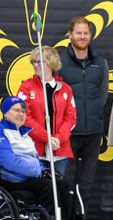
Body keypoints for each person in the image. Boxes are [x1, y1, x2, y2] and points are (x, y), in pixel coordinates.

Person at [58, 16, 108, 220]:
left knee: (84, 185)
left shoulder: (100, 62)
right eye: (78, 33)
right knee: (66, 183)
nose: (82, 36)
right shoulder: (59, 61)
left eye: (85, 33)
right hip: (67, 134)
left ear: (90, 35)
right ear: (69, 35)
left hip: (93, 133)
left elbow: (103, 94)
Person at [0, 96, 73, 220]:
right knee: (48, 186)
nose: (21, 114)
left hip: (27, 180)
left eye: (23, 111)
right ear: (5, 112)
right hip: (10, 181)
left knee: (63, 184)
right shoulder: (2, 132)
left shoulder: (24, 134)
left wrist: (45, 171)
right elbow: (8, 161)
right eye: (16, 110)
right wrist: (38, 172)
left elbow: (34, 160)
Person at [17, 46, 76, 175]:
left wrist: (59, 139)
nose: (35, 65)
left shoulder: (65, 89)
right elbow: (23, 117)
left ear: (51, 62)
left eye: (39, 61)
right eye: (33, 62)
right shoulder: (26, 87)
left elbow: (71, 119)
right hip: (34, 150)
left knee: (57, 190)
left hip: (59, 151)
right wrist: (47, 138)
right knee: (39, 190)